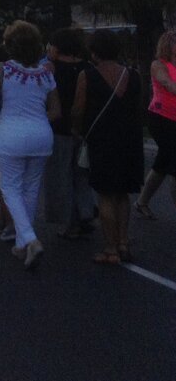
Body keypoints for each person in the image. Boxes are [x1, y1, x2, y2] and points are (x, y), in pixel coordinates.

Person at [0, 21, 58, 270]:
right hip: (42, 135)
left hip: (11, 134)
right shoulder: (46, 72)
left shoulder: (2, 70)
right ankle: (22, 243)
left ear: (10, 46)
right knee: (31, 188)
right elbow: (56, 110)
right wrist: (38, 121)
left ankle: (30, 238)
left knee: (10, 188)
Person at [72, 30, 142, 264]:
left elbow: (79, 110)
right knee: (123, 194)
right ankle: (123, 242)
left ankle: (110, 248)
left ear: (94, 51)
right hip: (130, 140)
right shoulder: (133, 75)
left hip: (102, 139)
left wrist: (78, 130)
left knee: (105, 195)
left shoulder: (88, 76)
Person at [43, 28, 94, 239]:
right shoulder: (88, 68)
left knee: (61, 177)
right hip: (84, 130)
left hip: (59, 128)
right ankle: (86, 213)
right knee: (82, 175)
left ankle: (69, 222)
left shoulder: (51, 69)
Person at [135, 30, 176, 220]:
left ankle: (142, 202)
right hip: (161, 118)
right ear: (169, 45)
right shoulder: (158, 65)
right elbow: (167, 83)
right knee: (173, 161)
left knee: (162, 162)